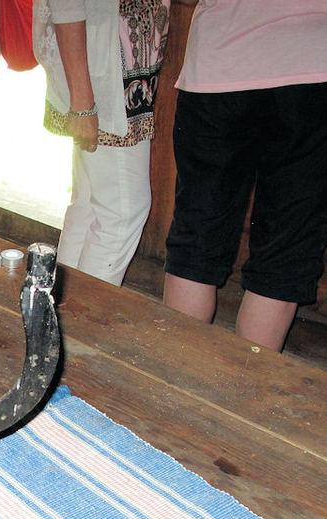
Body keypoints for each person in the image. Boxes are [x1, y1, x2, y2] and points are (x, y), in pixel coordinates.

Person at [163, 0, 327, 352]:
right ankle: (245, 381)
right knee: (286, 248)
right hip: (313, 65)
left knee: (197, 236)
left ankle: (174, 372)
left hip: (219, 61)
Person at [34, 0, 170, 286]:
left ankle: (58, 307)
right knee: (121, 212)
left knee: (90, 205)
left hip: (109, 69)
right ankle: (83, 313)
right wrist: (83, 102)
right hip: (106, 75)